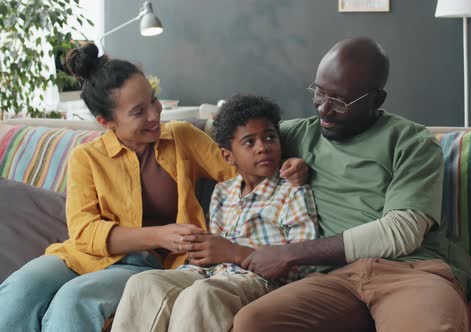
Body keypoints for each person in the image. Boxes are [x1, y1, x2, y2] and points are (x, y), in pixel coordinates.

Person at [0, 44, 307, 332]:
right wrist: (161, 234)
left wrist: (288, 163)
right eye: (138, 111)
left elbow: (239, 169)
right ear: (106, 121)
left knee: (74, 300)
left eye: (153, 99)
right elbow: (84, 231)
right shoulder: (86, 157)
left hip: (144, 267)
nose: (154, 113)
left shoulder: (182, 138)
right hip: (78, 256)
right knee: (20, 288)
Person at [232, 37, 471, 332]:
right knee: (252, 322)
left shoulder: (411, 142)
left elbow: (402, 232)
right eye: (319, 93)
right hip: (334, 281)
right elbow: (227, 149)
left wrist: (290, 253)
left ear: (377, 100)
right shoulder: (294, 136)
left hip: (411, 273)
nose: (324, 109)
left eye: (340, 101)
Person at [111, 94, 319, 332]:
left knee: (201, 295)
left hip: (260, 281)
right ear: (227, 156)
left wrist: (234, 253)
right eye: (249, 142)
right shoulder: (223, 192)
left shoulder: (291, 191)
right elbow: (214, 250)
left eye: (270, 137)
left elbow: (303, 263)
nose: (263, 147)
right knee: (144, 283)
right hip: (212, 274)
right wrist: (203, 252)